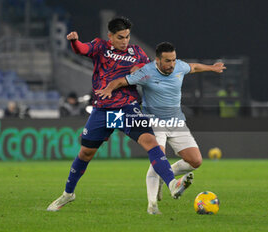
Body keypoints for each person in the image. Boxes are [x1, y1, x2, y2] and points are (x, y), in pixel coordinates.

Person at [47, 17, 193, 212]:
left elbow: (149, 72)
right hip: (103, 110)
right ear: (110, 36)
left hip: (127, 107)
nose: (125, 41)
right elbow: (81, 50)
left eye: (127, 36)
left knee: (149, 141)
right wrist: (74, 41)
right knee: (86, 153)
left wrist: (141, 71)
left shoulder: (137, 52)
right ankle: (68, 193)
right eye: (120, 37)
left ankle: (172, 184)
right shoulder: (100, 47)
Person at [95, 42, 226, 214]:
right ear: (157, 60)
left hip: (177, 122)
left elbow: (193, 67)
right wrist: (108, 89)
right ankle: (152, 206)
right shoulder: (146, 71)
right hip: (154, 122)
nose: (171, 64)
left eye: (173, 60)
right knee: (158, 158)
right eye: (167, 61)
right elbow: (121, 81)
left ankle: (167, 176)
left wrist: (211, 68)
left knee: (195, 161)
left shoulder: (179, 66)